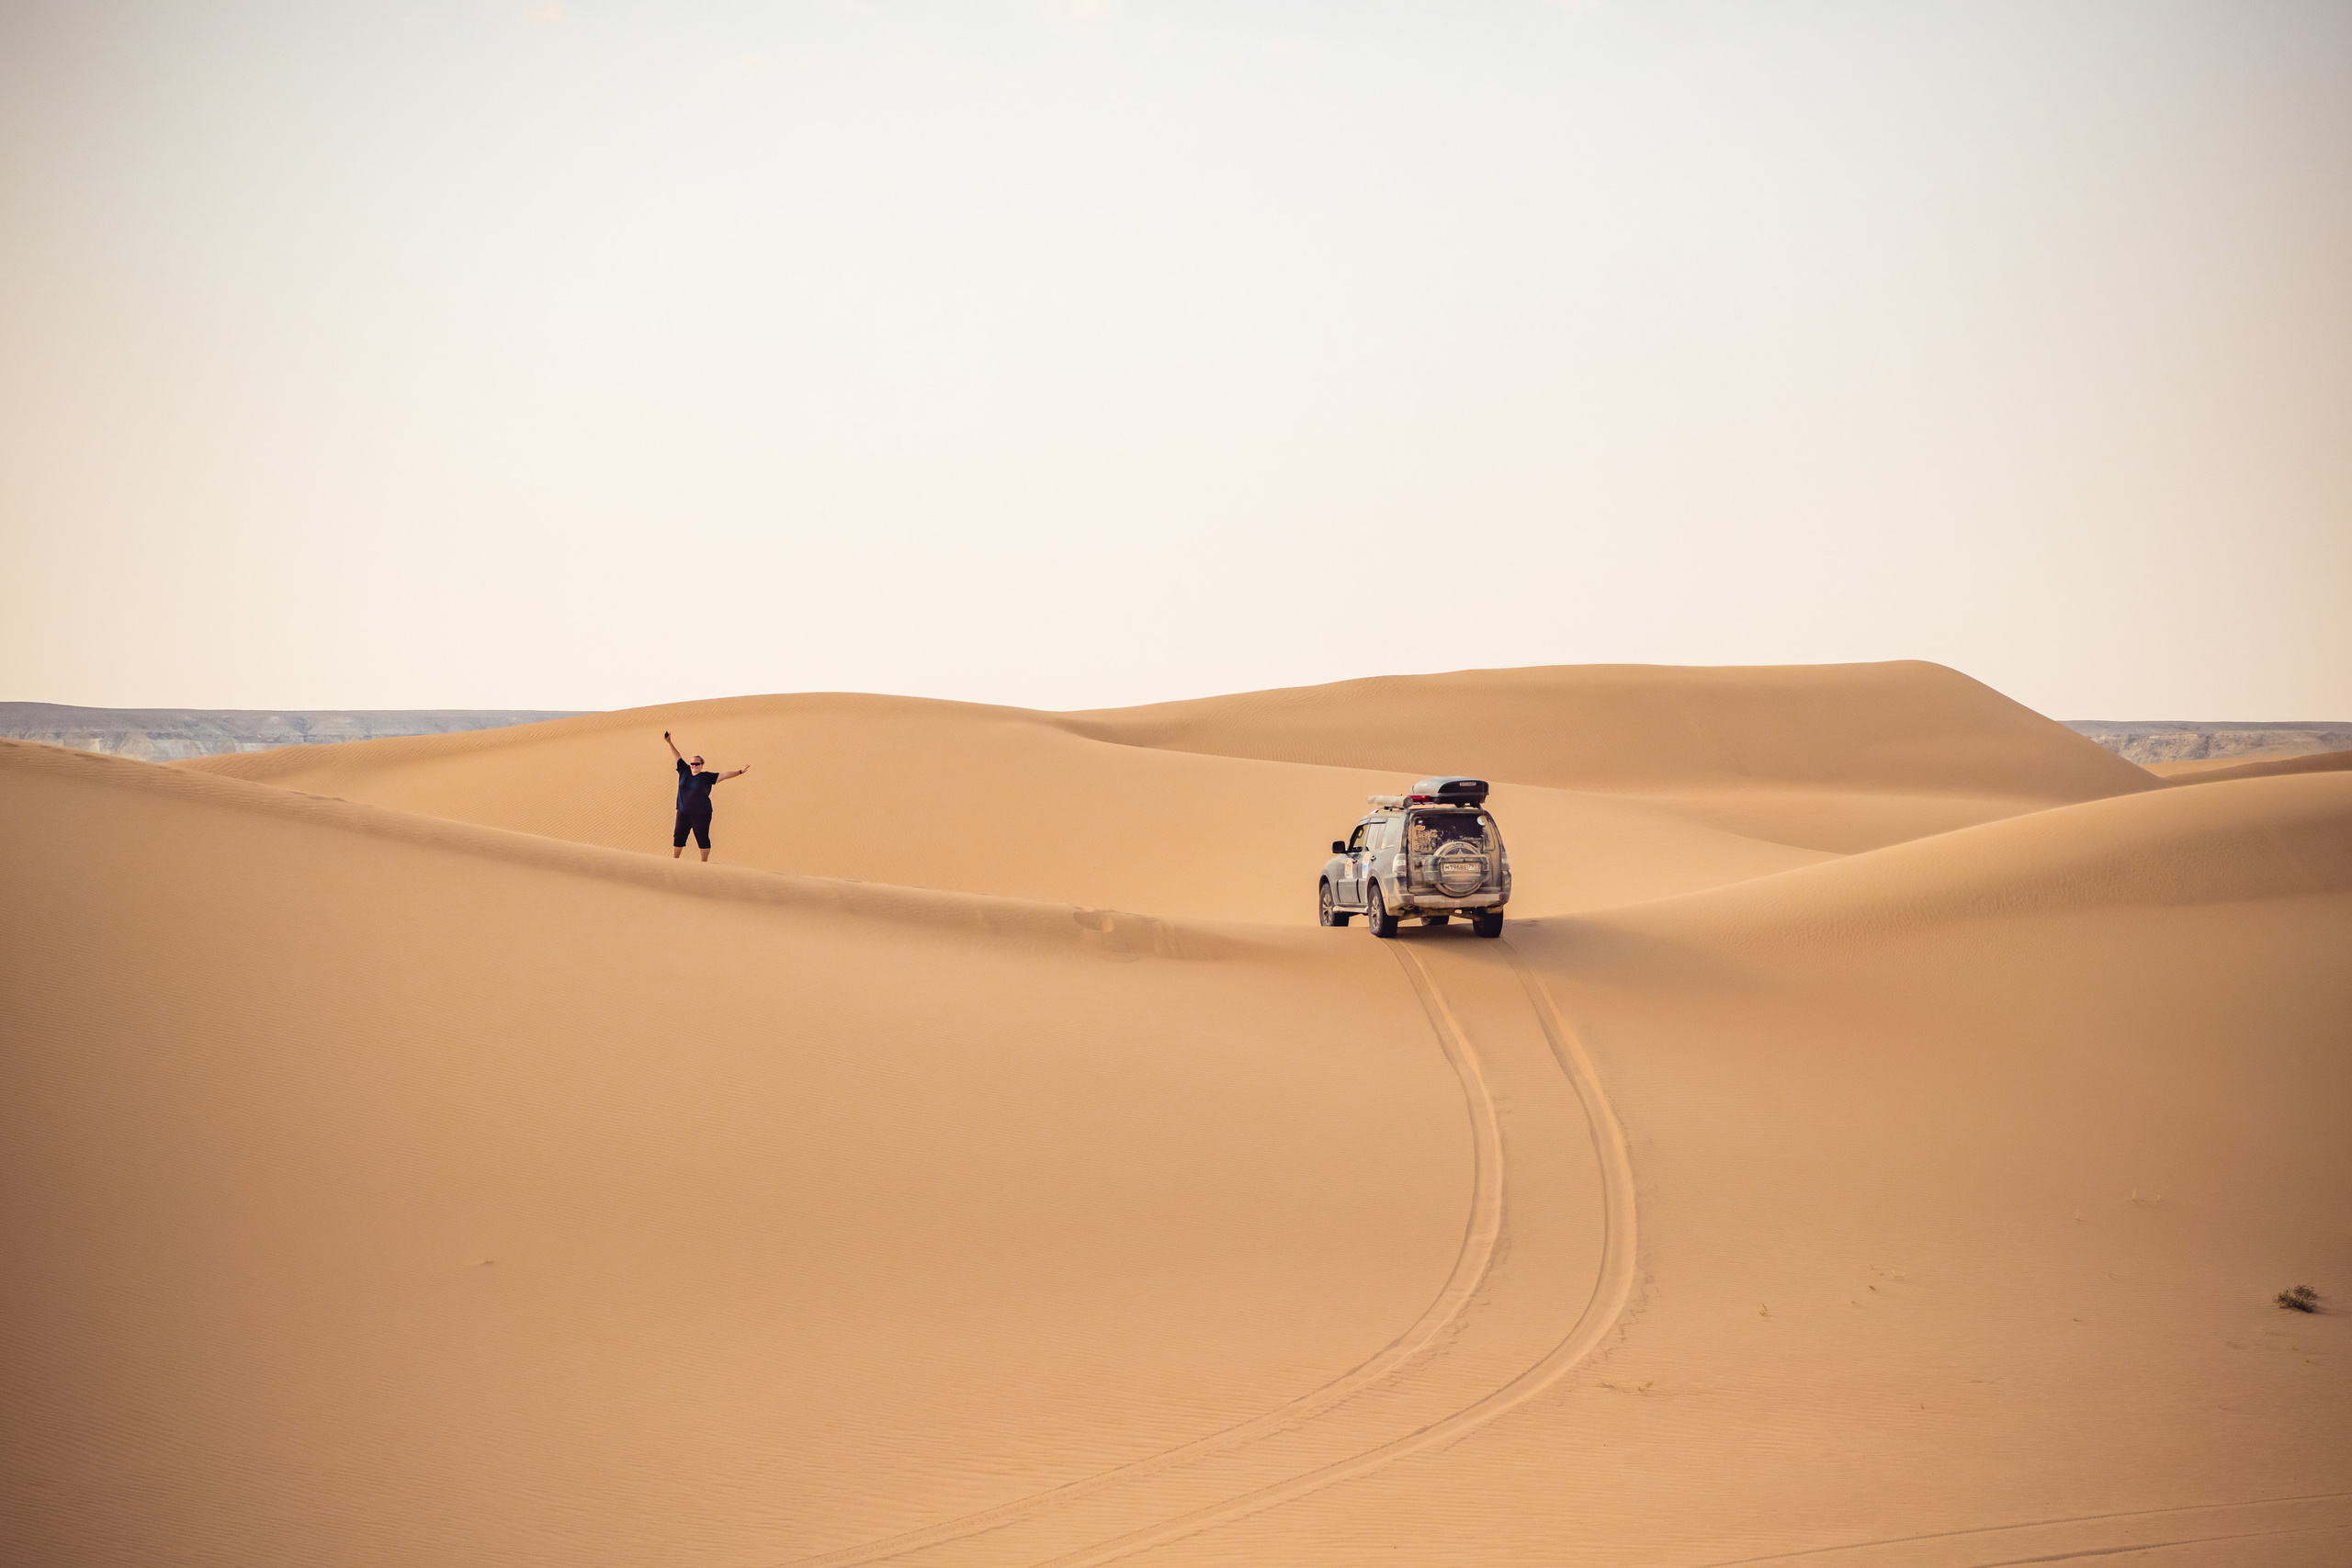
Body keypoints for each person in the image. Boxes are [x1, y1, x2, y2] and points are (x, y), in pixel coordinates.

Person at [663, 731, 749, 862]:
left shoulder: (707, 777)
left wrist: (740, 772)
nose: (694, 766)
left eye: (697, 764)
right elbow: (677, 756)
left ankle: (704, 864)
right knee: (678, 837)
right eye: (692, 764)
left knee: (702, 837)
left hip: (702, 814)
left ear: (702, 765)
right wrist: (669, 742)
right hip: (683, 812)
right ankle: (675, 861)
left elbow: (725, 775)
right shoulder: (684, 770)